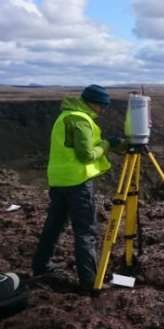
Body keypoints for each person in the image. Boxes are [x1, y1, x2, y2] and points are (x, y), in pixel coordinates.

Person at [31, 84, 123, 294]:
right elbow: (87, 155)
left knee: (53, 226)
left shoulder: (66, 115)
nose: (102, 110)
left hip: (58, 181)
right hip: (78, 183)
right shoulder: (80, 120)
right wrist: (108, 143)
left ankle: (40, 267)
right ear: (93, 102)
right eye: (102, 106)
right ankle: (90, 281)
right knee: (86, 231)